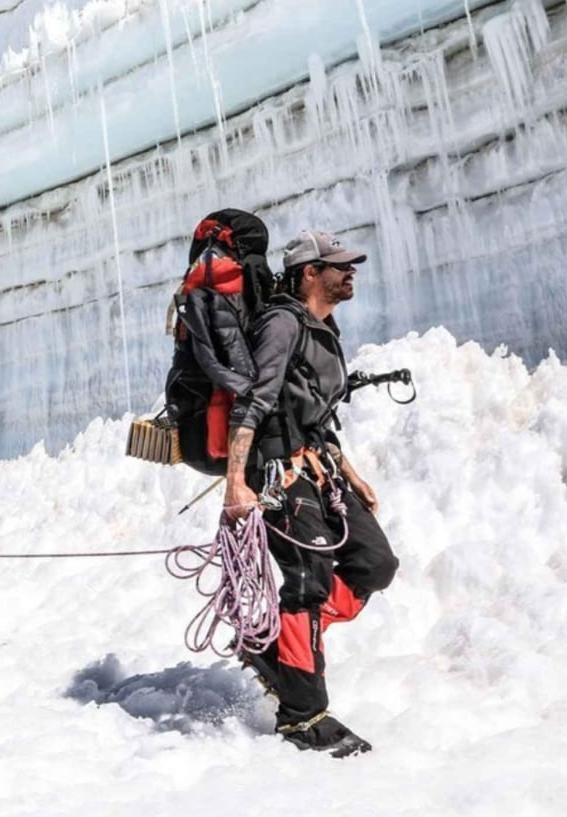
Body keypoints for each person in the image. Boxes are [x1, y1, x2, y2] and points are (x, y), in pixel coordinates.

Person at [223, 230, 400, 757]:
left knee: (375, 563)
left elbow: (317, 414)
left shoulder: (322, 328)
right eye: (338, 266)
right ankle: (304, 716)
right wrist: (236, 481)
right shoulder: (281, 323)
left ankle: (281, 650)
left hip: (319, 467)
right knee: (307, 582)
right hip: (277, 473)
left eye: (351, 266)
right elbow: (252, 403)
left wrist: (351, 470)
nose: (350, 273)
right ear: (308, 273)